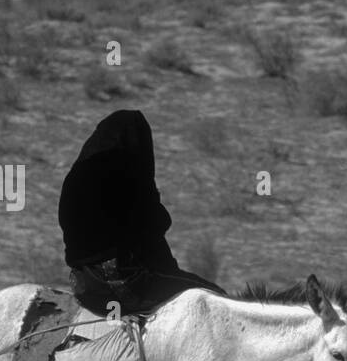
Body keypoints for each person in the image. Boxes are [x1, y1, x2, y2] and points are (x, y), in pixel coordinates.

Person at [58, 109, 224, 315]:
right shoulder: (125, 173)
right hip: (124, 282)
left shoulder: (76, 176)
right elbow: (153, 226)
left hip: (84, 287)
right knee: (215, 298)